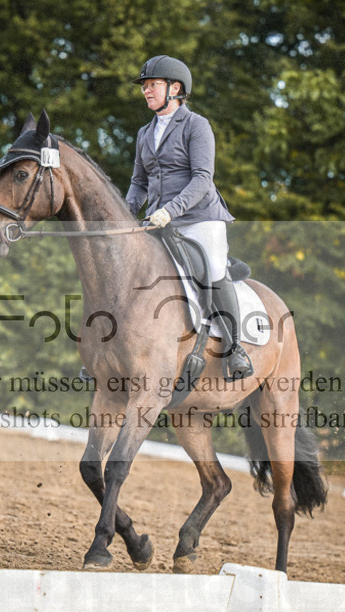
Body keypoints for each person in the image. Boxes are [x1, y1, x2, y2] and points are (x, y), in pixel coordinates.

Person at [125, 55, 254, 381]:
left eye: (152, 84)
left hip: (199, 217)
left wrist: (170, 211)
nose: (146, 91)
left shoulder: (197, 126)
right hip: (158, 220)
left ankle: (236, 349)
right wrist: (126, 215)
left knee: (211, 267)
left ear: (175, 88)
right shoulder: (144, 133)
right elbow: (139, 183)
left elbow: (201, 179)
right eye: (144, 86)